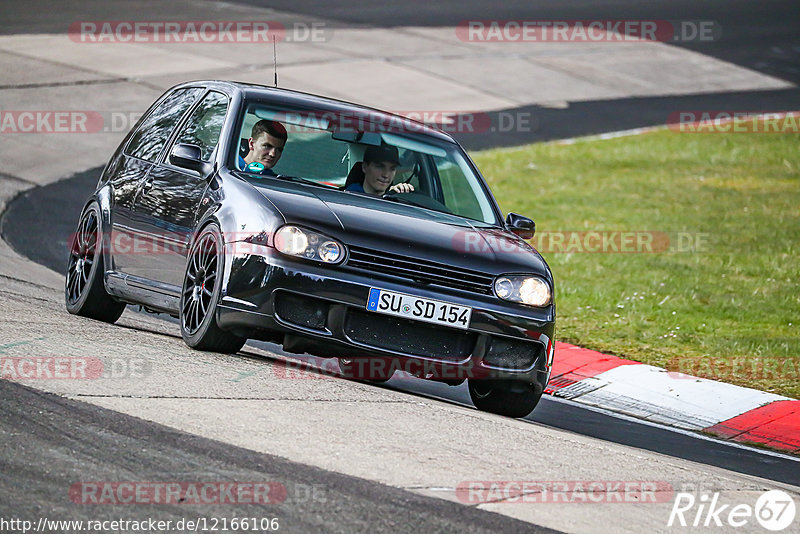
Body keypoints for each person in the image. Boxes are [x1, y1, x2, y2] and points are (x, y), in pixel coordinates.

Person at [344, 144, 414, 196]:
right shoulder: (349, 197)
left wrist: (399, 195)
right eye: (380, 167)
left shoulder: (393, 197)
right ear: (365, 167)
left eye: (392, 169)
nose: (386, 175)